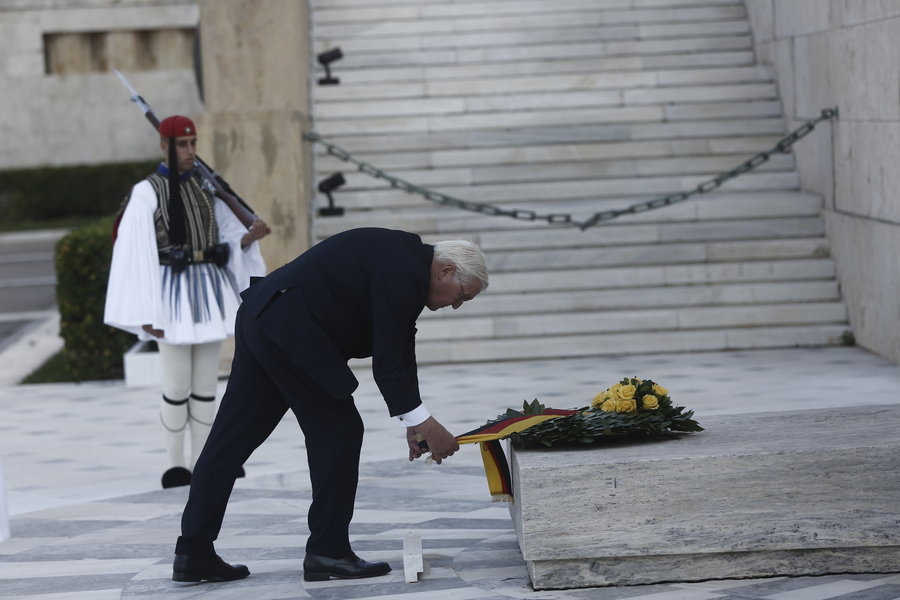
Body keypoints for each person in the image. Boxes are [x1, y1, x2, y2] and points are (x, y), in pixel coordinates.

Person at [171, 227, 488, 583]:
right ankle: (328, 551)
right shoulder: (406, 269)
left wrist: (413, 421)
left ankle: (193, 552)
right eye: (462, 295)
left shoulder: (406, 262)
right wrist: (425, 422)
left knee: (229, 442)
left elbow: (400, 346)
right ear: (445, 270)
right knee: (339, 430)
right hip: (289, 328)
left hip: (264, 317)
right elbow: (386, 361)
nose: (457, 305)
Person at [104, 115, 270, 489]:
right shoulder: (147, 191)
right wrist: (146, 311)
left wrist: (248, 238)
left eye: (193, 143)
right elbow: (135, 251)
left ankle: (205, 462)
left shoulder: (205, 187)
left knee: (206, 386)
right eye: (183, 144)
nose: (191, 151)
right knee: (176, 386)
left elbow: (227, 238)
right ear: (164, 146)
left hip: (208, 291)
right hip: (170, 293)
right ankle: (176, 465)